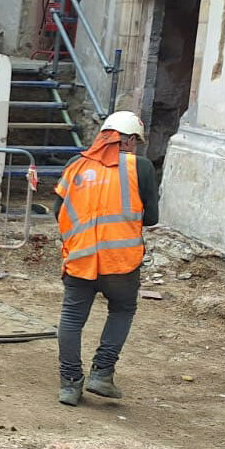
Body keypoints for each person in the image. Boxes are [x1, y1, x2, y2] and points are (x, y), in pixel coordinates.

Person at [52, 110, 159, 406]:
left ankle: (70, 384)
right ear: (130, 141)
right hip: (121, 261)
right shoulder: (142, 168)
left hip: (81, 257)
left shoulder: (76, 165)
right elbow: (151, 217)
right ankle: (102, 373)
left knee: (72, 319)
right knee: (122, 310)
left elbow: (56, 209)